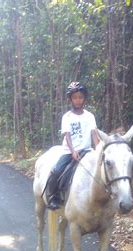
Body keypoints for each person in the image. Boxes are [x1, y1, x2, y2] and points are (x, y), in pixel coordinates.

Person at [46, 82, 100, 210]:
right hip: (69, 152)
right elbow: (67, 136)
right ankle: (53, 196)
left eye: (80, 97)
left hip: (87, 151)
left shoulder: (90, 116)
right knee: (56, 171)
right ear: (71, 99)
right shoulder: (67, 117)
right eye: (75, 97)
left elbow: (94, 135)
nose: (78, 100)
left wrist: (99, 150)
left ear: (84, 98)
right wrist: (73, 151)